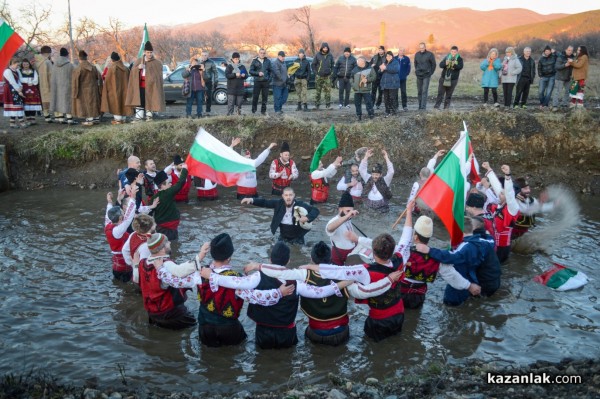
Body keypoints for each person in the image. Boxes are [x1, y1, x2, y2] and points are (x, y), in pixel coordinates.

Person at [199, 242, 352, 349]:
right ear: (289, 260)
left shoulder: (257, 276)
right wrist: (345, 282)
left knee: (260, 363)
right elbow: (320, 293)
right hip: (287, 333)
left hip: (263, 332)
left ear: (270, 259)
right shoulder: (296, 281)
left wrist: (212, 275)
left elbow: (237, 284)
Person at [257, 241, 401, 345]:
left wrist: (259, 267)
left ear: (312, 260)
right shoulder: (345, 277)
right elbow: (363, 293)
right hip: (341, 333)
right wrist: (388, 280)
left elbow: (285, 274)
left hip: (315, 333)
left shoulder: (303, 275)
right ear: (330, 259)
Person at [158, 233, 291, 346]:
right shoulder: (237, 280)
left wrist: (160, 268)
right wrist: (278, 293)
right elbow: (256, 297)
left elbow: (175, 281)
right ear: (229, 256)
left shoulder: (200, 273)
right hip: (229, 329)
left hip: (205, 327)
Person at [416, 216, 499, 306]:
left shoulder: (467, 246)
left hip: (482, 284)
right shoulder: (486, 240)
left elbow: (451, 257)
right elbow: (489, 241)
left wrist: (430, 250)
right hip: (494, 281)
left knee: (452, 304)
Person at [138, 233, 198, 330]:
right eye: (167, 242)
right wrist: (200, 256)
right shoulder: (166, 265)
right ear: (162, 249)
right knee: (194, 326)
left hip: (152, 314)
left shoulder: (142, 263)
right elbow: (181, 271)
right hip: (172, 313)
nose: (170, 242)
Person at [241, 187, 319, 245]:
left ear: (294, 196)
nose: (288, 197)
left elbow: (315, 210)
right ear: (283, 196)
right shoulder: (278, 203)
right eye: (286, 195)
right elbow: (265, 202)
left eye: (290, 195)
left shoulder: (300, 205)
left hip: (297, 237)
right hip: (283, 236)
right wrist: (251, 200)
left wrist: (307, 218)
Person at [480, 162, 519, 262]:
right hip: (494, 244)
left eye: (502, 194)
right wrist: (489, 169)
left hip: (502, 248)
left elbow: (509, 193)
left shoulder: (512, 208)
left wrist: (508, 176)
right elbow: (497, 186)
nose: (499, 194)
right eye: (500, 193)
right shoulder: (499, 204)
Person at [125, 41, 165, 122]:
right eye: (148, 52)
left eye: (151, 52)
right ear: (144, 52)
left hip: (151, 87)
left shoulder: (156, 63)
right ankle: (139, 117)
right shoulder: (138, 61)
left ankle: (149, 117)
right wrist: (138, 69)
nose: (149, 54)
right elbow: (132, 72)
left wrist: (151, 78)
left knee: (150, 100)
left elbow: (158, 76)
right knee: (140, 101)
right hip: (140, 86)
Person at [151, 163, 189, 241]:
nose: (171, 184)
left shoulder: (153, 198)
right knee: (171, 245)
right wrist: (185, 169)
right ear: (162, 186)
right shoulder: (168, 193)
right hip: (169, 229)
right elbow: (180, 183)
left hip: (160, 227)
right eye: (168, 183)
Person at [104, 190, 136, 282]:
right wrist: (133, 198)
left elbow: (107, 213)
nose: (124, 214)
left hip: (116, 265)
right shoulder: (118, 231)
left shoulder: (108, 225)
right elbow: (129, 217)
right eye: (123, 213)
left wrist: (110, 202)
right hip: (124, 266)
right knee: (127, 290)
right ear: (120, 218)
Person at [325, 192, 360, 265]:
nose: (350, 214)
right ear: (340, 209)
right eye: (347, 211)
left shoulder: (348, 220)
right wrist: (348, 216)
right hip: (338, 257)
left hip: (351, 254)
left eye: (351, 211)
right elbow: (329, 228)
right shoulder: (334, 220)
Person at [122, 213, 155, 284]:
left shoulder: (133, 234)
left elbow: (124, 250)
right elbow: (144, 265)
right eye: (153, 223)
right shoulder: (146, 245)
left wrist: (131, 263)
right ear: (150, 227)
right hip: (143, 277)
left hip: (135, 269)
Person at [72, 50, 102, 126]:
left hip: (83, 90)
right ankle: (96, 118)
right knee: (94, 103)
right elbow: (99, 78)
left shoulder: (78, 69)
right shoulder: (93, 67)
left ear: (79, 58)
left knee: (86, 104)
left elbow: (75, 82)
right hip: (94, 88)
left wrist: (75, 92)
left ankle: (89, 120)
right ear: (86, 58)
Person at [101, 52, 129, 125]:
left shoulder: (111, 69)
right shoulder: (126, 68)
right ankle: (123, 118)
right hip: (125, 90)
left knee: (116, 103)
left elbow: (107, 82)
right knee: (123, 101)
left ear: (112, 60)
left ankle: (117, 120)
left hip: (114, 90)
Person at [50, 48, 77, 125]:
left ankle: (61, 118)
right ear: (67, 55)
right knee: (68, 101)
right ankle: (70, 119)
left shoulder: (54, 65)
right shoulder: (70, 65)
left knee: (59, 101)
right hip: (67, 86)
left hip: (56, 86)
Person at [433, 45, 463, 110]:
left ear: (457, 52)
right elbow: (440, 65)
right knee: (440, 93)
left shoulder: (459, 59)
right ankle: (436, 107)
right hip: (444, 78)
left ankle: (446, 108)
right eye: (452, 51)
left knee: (449, 95)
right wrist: (445, 64)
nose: (453, 53)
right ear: (450, 51)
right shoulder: (446, 57)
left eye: (454, 52)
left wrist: (453, 65)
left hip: (453, 79)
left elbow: (460, 67)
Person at [3, 58, 28, 129]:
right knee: (17, 106)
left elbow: (19, 80)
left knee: (16, 106)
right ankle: (22, 122)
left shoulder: (16, 70)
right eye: (17, 64)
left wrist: (21, 87)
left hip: (16, 88)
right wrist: (19, 91)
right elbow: (12, 81)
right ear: (12, 64)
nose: (18, 66)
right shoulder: (7, 71)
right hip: (10, 89)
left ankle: (12, 123)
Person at [351, 56, 376, 121]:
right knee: (357, 104)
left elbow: (374, 77)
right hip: (357, 90)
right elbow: (351, 78)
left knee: (368, 103)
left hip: (366, 90)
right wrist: (353, 85)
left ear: (363, 62)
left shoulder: (370, 68)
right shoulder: (355, 69)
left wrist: (367, 80)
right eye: (357, 61)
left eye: (358, 61)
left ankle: (371, 115)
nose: (357, 62)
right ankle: (359, 116)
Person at [18, 58, 42, 125]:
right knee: (26, 104)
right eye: (24, 64)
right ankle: (28, 118)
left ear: (29, 64)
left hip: (33, 88)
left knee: (33, 103)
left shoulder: (33, 71)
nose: (25, 65)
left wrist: (32, 82)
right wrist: (28, 81)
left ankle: (33, 118)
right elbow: (20, 79)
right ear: (22, 65)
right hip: (24, 89)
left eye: (27, 64)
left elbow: (36, 79)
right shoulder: (19, 71)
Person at [249, 48, 272, 115]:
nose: (262, 54)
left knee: (265, 97)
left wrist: (269, 79)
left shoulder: (268, 61)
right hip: (257, 81)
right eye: (261, 53)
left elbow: (271, 71)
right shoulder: (254, 61)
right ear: (259, 53)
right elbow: (250, 71)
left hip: (265, 82)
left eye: (264, 53)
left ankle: (263, 111)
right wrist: (258, 73)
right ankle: (254, 110)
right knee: (255, 96)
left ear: (265, 54)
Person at [311, 42, 334, 110]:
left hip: (327, 77)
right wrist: (316, 73)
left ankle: (328, 105)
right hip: (319, 76)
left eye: (326, 48)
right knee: (318, 91)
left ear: (328, 48)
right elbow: (313, 65)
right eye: (324, 48)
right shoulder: (317, 55)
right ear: (322, 48)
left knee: (328, 91)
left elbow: (333, 65)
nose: (325, 49)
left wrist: (331, 73)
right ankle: (317, 105)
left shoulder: (330, 55)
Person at [33, 45, 53, 123]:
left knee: (43, 99)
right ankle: (49, 116)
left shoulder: (36, 61)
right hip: (47, 83)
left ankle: (46, 115)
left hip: (38, 83)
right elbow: (51, 74)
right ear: (48, 53)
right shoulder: (46, 62)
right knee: (47, 99)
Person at [413, 42, 436, 110]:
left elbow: (433, 64)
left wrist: (430, 72)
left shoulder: (430, 54)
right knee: (419, 91)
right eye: (420, 48)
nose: (421, 49)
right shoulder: (417, 54)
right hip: (419, 75)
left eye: (422, 48)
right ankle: (420, 106)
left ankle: (423, 107)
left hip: (426, 75)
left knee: (424, 91)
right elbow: (415, 63)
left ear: (425, 47)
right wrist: (417, 70)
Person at [225, 52, 247, 116]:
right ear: (232, 59)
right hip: (231, 89)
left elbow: (247, 75)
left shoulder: (242, 66)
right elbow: (227, 75)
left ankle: (238, 116)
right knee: (231, 104)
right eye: (235, 59)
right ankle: (230, 116)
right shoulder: (229, 66)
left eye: (237, 59)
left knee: (239, 104)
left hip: (240, 89)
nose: (236, 60)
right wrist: (235, 74)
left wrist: (244, 75)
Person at [552, 45, 573, 111]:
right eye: (569, 50)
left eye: (571, 50)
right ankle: (555, 105)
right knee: (558, 92)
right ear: (566, 50)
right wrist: (565, 65)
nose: (570, 52)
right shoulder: (561, 57)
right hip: (560, 77)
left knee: (567, 91)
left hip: (568, 77)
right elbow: (557, 67)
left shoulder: (573, 57)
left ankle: (564, 104)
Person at [379, 51, 400, 117]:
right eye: (387, 56)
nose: (388, 57)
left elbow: (396, 69)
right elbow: (379, 71)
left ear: (392, 56)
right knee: (386, 98)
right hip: (385, 84)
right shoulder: (385, 62)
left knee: (392, 98)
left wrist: (386, 68)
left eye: (389, 56)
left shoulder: (395, 62)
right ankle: (387, 111)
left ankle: (394, 111)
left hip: (393, 84)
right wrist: (381, 70)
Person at [537, 45, 557, 109]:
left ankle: (544, 105)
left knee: (548, 92)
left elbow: (561, 56)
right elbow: (539, 68)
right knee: (540, 92)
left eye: (548, 51)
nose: (547, 52)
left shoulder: (554, 57)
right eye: (546, 51)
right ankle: (543, 103)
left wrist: (555, 52)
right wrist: (540, 75)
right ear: (544, 51)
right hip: (543, 77)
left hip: (552, 76)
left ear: (550, 51)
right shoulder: (541, 59)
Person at [199, 51, 218, 115]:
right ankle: (200, 110)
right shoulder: (199, 62)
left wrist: (216, 81)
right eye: (202, 55)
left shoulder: (211, 62)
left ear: (207, 56)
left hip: (208, 81)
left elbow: (215, 72)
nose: (204, 56)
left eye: (205, 55)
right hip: (200, 81)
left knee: (208, 96)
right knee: (200, 96)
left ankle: (208, 110)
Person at [272, 51, 289, 115]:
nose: (283, 58)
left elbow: (285, 72)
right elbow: (277, 73)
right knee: (278, 97)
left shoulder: (283, 63)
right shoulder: (275, 63)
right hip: (277, 84)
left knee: (284, 98)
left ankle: (279, 108)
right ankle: (277, 110)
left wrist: (287, 77)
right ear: (279, 56)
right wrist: (283, 79)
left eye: (284, 56)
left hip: (284, 84)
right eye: (282, 56)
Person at [395, 47, 411, 111]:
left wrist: (405, 74)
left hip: (403, 79)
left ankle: (404, 106)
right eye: (400, 50)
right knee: (395, 93)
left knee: (403, 92)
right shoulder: (394, 58)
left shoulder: (407, 59)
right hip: (395, 79)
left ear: (404, 52)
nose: (401, 52)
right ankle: (396, 106)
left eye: (403, 51)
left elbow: (408, 68)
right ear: (398, 51)